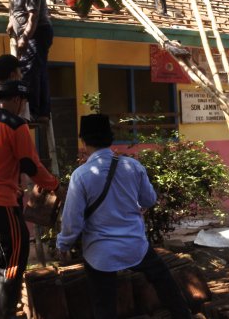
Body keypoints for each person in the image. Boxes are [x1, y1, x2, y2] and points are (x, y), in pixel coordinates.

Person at [56, 114, 191, 319]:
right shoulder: (132, 166)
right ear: (110, 139)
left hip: (100, 254)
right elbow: (149, 199)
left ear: (83, 141)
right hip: (135, 246)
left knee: (104, 305)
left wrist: (63, 246)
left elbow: (72, 220)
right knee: (165, 281)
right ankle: (183, 315)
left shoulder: (81, 175)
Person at [0, 80, 59, 319]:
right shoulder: (17, 125)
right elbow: (30, 164)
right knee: (13, 260)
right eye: (24, 101)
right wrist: (54, 185)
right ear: (17, 100)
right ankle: (4, 315)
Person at [7, 0, 53, 121]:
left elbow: (33, 18)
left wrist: (24, 37)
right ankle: (42, 112)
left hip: (37, 33)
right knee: (38, 71)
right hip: (32, 33)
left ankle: (33, 112)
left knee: (29, 71)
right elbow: (17, 8)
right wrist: (12, 21)